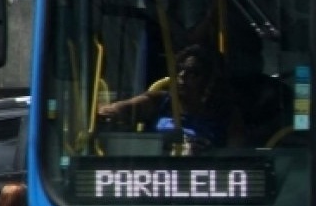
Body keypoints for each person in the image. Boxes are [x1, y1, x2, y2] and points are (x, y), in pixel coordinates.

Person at [98, 44, 244, 151]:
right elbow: (121, 109)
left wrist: (209, 154)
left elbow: (235, 158)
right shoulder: (159, 101)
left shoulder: (228, 115)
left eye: (192, 73)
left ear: (211, 81)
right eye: (179, 70)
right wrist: (111, 113)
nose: (182, 77)